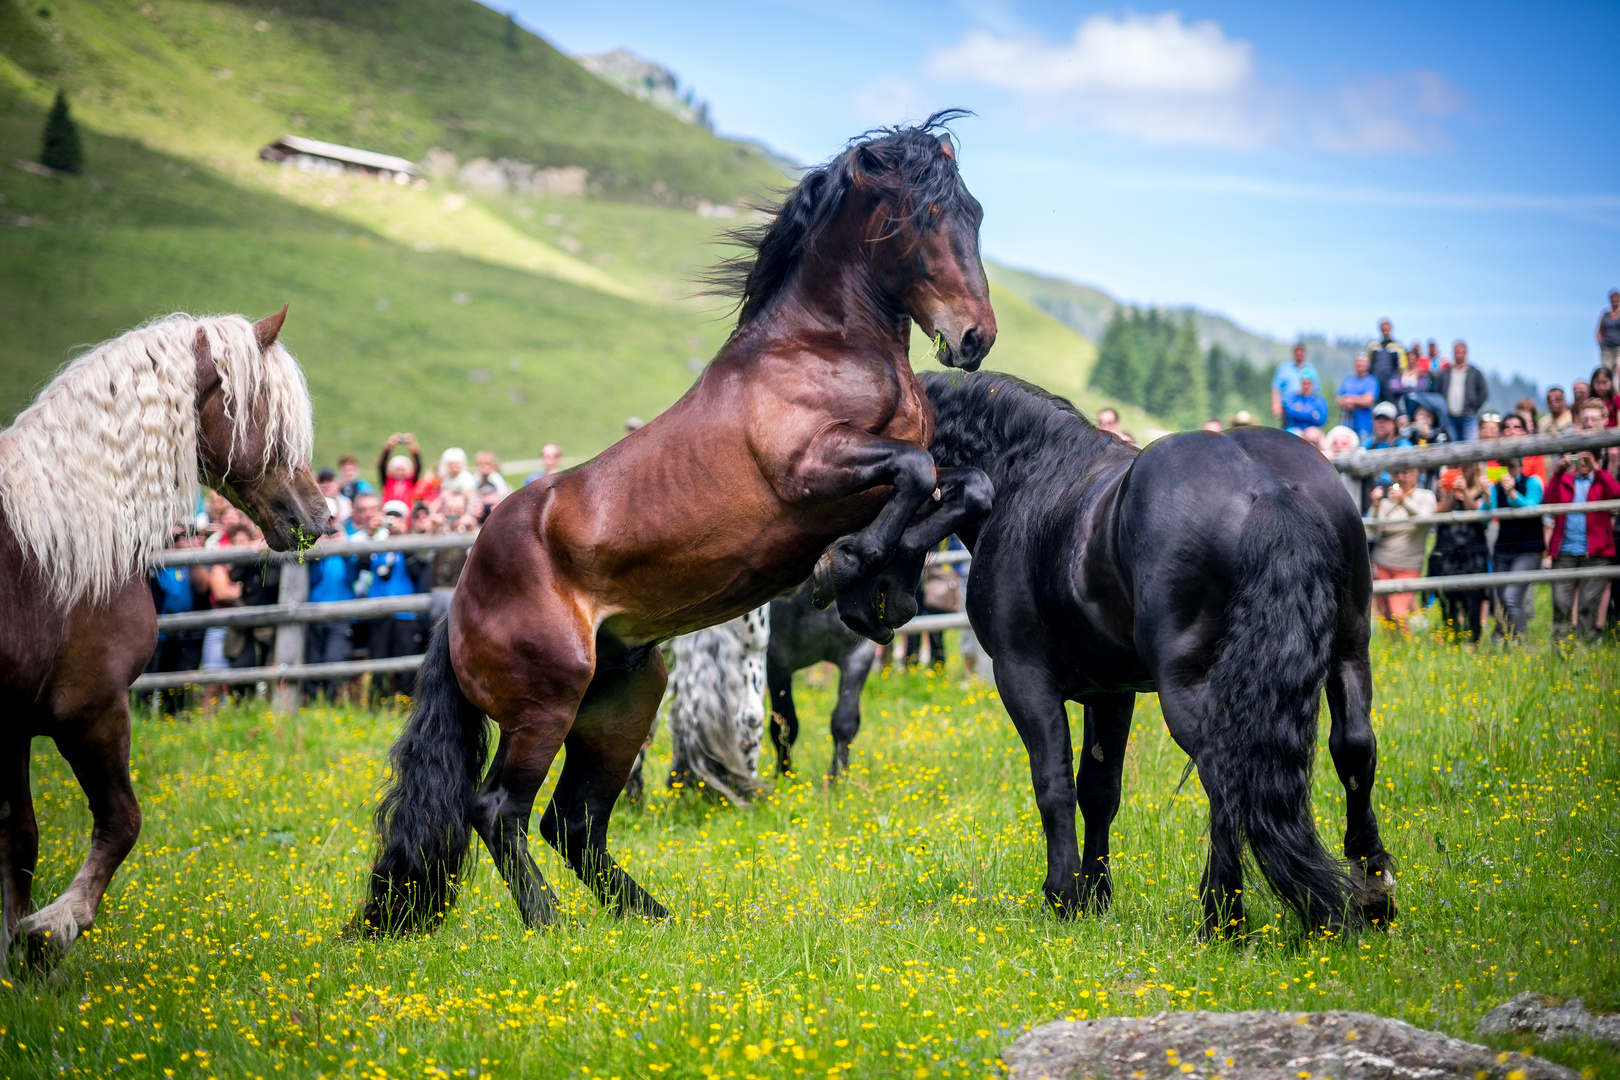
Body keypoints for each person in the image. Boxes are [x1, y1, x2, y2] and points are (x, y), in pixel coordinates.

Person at [1545, 431, 1619, 639]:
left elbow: (1616, 493)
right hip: (1565, 551)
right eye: (1579, 457)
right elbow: (1548, 500)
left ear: (1597, 458)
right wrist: (1558, 471)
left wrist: (1598, 469)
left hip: (1596, 553)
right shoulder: (1565, 481)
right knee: (1560, 602)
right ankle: (1560, 646)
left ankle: (1583, 647)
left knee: (1588, 603)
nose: (1583, 462)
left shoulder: (1601, 482)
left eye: (1588, 457)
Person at [146, 528, 210, 713]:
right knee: (156, 672)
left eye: (185, 538)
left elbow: (202, 588)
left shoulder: (190, 564)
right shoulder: (158, 562)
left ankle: (179, 712)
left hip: (188, 633)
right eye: (177, 538)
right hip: (162, 632)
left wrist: (192, 552)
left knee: (183, 675)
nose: (180, 542)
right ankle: (147, 712)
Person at [1486, 446, 1545, 641]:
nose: (1507, 470)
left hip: (1528, 549)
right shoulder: (1495, 487)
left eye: (1511, 465)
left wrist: (1512, 494)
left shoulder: (1533, 482)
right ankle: (1501, 639)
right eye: (1503, 466)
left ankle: (1520, 644)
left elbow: (1531, 508)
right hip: (1503, 548)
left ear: (1520, 465)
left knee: (1511, 597)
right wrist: (1486, 496)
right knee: (1502, 599)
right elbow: (1485, 518)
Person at [1368, 467, 1436, 633]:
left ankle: (1409, 651)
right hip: (1381, 564)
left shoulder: (1426, 496)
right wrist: (1376, 507)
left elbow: (1425, 521)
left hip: (1408, 565)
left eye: (1405, 472)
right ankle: (1395, 652)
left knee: (1399, 613)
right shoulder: (1387, 498)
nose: (1400, 477)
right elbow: (1370, 531)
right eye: (1396, 473)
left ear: (1416, 474)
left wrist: (1404, 501)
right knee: (1387, 616)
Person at [1428, 463, 1490, 643]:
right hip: (1447, 554)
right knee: (1448, 602)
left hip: (1473, 554)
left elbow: (1477, 513)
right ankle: (1452, 642)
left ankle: (1473, 643)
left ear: (1474, 469)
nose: (1461, 472)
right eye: (1457, 468)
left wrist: (1465, 493)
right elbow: (1439, 514)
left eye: (1465, 468)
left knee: (1473, 601)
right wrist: (1447, 493)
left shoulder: (1482, 489)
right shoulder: (1443, 488)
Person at [305, 502, 360, 700]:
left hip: (340, 613)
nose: (327, 525)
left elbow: (353, 575)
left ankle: (332, 702)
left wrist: (342, 546)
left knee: (334, 659)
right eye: (323, 520)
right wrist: (318, 550)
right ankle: (310, 702)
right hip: (314, 611)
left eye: (331, 519)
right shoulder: (309, 545)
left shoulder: (348, 542)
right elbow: (313, 578)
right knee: (312, 659)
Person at [368, 500, 422, 701]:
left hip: (405, 614)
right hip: (379, 611)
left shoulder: (412, 542)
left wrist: (402, 538)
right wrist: (370, 534)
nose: (392, 521)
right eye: (388, 516)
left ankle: (408, 704)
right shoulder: (376, 543)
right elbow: (363, 566)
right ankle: (375, 703)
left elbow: (417, 571)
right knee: (378, 663)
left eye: (397, 517)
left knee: (407, 665)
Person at [1436, 340, 1488, 442]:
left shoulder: (1474, 372)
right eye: (1457, 352)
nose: (1459, 354)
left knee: (1470, 448)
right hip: (1449, 417)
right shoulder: (1446, 373)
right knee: (1453, 449)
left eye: (1461, 352)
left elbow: (1483, 393)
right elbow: (1438, 391)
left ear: (1466, 353)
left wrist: (1473, 407)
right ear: (1453, 353)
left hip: (1468, 417)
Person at [1336, 353, 1379, 440]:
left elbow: (1368, 400)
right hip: (1347, 425)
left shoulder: (1371, 381)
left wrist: (1350, 400)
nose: (1360, 365)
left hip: (1365, 426)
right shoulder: (1348, 380)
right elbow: (1338, 400)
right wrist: (1358, 399)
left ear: (1367, 365)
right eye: (1358, 362)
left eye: (1362, 362)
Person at [1270, 343, 1318, 422]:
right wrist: (1276, 405)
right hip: (1287, 408)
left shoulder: (1311, 369)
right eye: (1297, 350)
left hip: (1307, 407)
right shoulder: (1283, 367)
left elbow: (1316, 390)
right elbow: (1276, 387)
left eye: (1301, 351)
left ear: (1305, 353)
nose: (1299, 353)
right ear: (1293, 352)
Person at [1366, 321, 1406, 404]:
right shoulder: (1373, 346)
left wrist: (1399, 380)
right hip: (1376, 382)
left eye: (1387, 329)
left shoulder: (1397, 346)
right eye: (1383, 329)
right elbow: (1368, 364)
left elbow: (1403, 366)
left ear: (1391, 329)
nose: (1385, 331)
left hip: (1391, 384)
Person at [377, 432, 421, 504]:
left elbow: (418, 466)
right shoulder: (388, 481)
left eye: (402, 470)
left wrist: (412, 445)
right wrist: (389, 445)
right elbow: (382, 465)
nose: (399, 472)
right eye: (397, 470)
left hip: (406, 510)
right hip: (389, 508)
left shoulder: (410, 482)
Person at [1598, 288, 1620, 374]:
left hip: (1619, 346)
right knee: (1607, 370)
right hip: (1607, 347)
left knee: (1619, 368)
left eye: (1616, 299)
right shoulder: (1606, 315)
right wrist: (1600, 343)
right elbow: (1599, 331)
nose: (1614, 301)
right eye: (1612, 299)